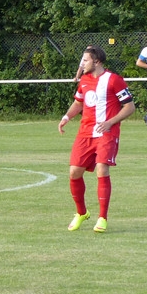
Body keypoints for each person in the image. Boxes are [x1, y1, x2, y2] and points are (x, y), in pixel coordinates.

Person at [58, 45, 136, 234]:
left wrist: (111, 122)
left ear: (97, 62)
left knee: (102, 167)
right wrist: (66, 117)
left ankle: (102, 218)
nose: (82, 64)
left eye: (85, 60)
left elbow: (130, 107)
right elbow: (78, 102)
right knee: (74, 172)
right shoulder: (84, 80)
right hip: (85, 133)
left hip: (106, 133)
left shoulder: (114, 80)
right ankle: (81, 213)